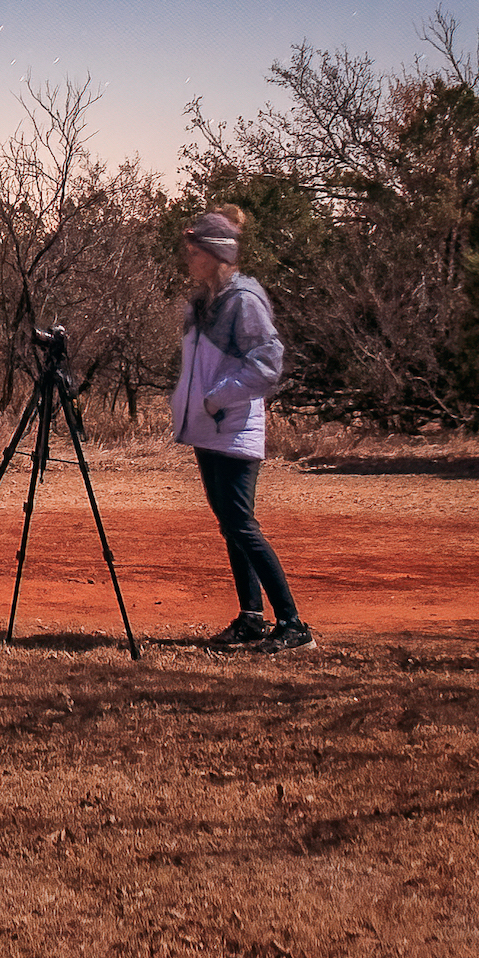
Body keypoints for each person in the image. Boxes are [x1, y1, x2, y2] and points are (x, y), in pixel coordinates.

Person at [171, 206, 310, 652]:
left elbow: (267, 364)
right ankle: (252, 618)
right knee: (231, 525)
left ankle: (293, 625)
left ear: (217, 253)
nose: (189, 257)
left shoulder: (243, 301)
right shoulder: (203, 303)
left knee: (241, 524)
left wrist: (217, 398)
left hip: (233, 428)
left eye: (196, 250)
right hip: (209, 429)